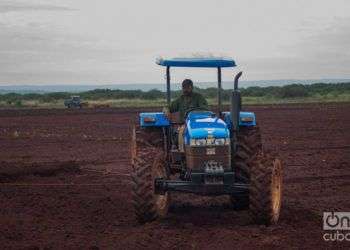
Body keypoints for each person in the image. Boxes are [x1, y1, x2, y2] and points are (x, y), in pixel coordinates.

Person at [165, 79, 208, 152]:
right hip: (185, 123)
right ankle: (182, 152)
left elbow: (205, 109)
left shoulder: (199, 97)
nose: (185, 90)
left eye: (187, 88)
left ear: (191, 87)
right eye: (183, 88)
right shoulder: (180, 99)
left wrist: (194, 111)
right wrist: (166, 111)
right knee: (181, 133)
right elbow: (169, 107)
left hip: (198, 123)